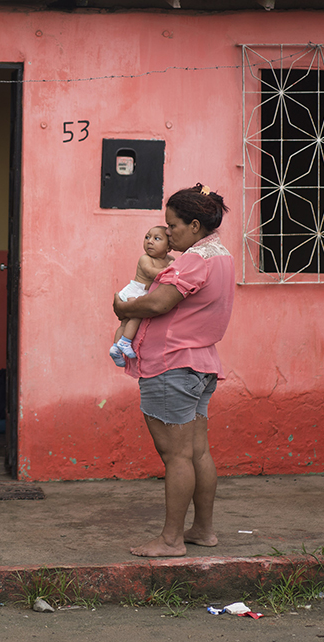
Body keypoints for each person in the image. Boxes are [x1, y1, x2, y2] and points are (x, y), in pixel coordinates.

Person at [112, 184, 235, 557]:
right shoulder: (221, 254)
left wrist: (123, 308)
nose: (168, 233)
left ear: (195, 225)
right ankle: (203, 530)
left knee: (177, 456)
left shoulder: (194, 260)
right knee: (197, 452)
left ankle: (170, 540)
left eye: (173, 226)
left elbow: (159, 303)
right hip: (200, 364)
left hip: (172, 366)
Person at [109, 226, 174, 367]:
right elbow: (152, 273)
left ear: (169, 247)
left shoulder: (170, 259)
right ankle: (125, 341)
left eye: (157, 239)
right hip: (135, 291)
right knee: (137, 315)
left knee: (125, 323)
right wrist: (169, 269)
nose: (150, 241)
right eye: (147, 237)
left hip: (142, 292)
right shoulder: (145, 258)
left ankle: (115, 348)